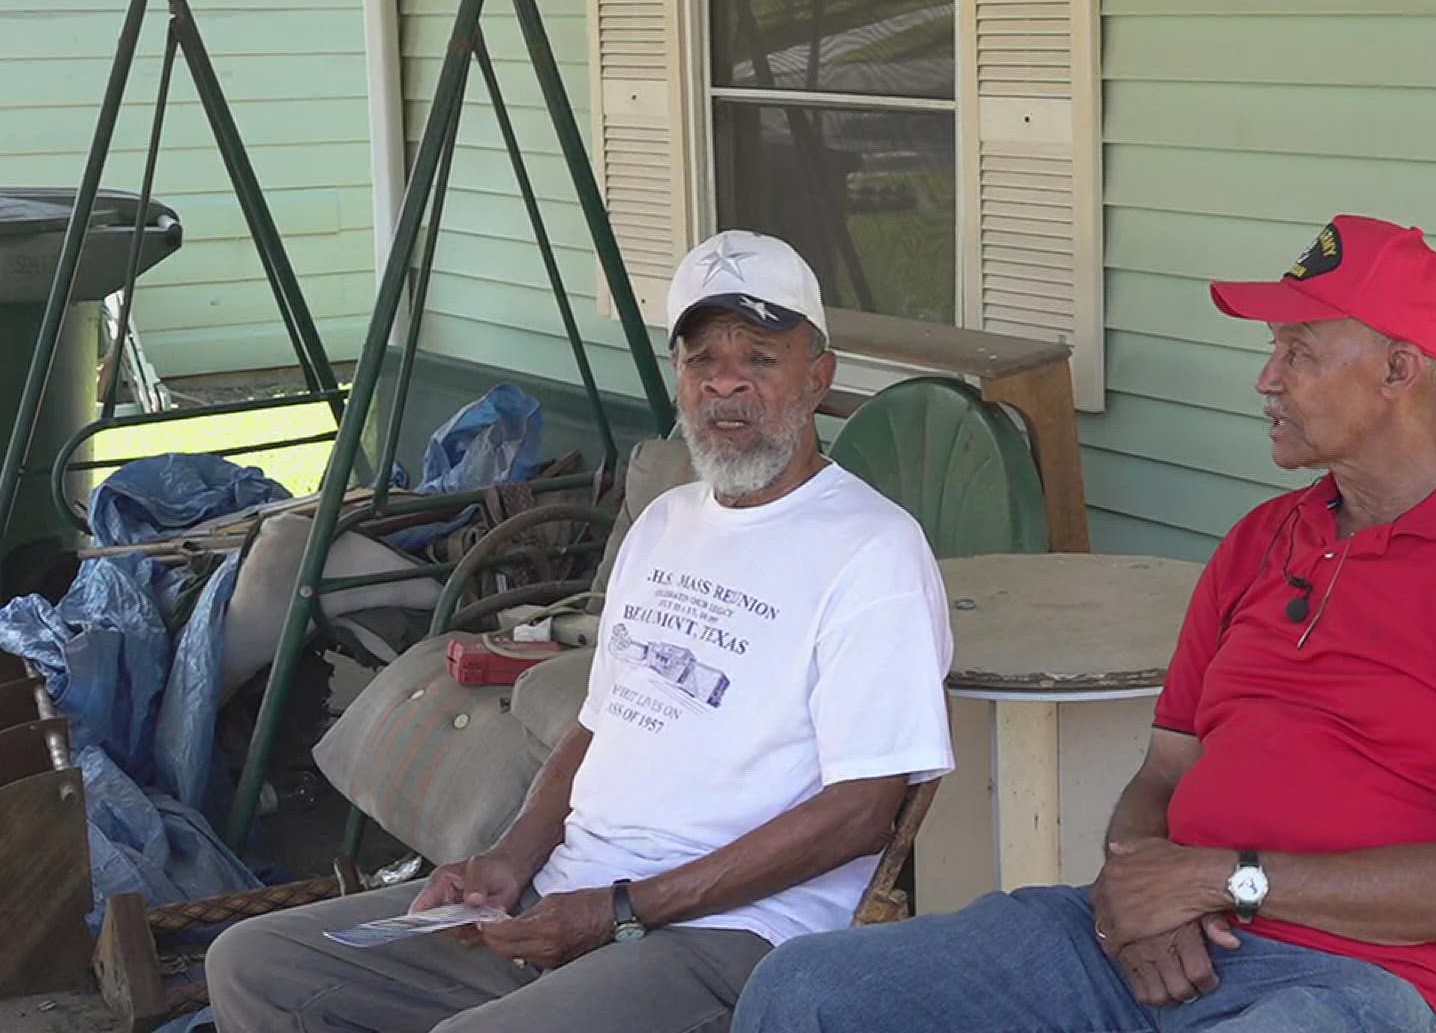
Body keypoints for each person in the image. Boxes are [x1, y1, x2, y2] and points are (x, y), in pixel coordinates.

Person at [733, 214, 1436, 1033]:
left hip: (1353, 983)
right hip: (1148, 946)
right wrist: (1133, 904)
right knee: (806, 989)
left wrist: (1223, 880)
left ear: (1398, 371)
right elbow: (1165, 769)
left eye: (1299, 352)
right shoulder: (1260, 542)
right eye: (1273, 348)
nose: (1267, 378)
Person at [205, 231, 956, 1033]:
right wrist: (509, 859)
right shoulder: (665, 523)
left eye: (762, 358)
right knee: (257, 964)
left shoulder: (872, 550)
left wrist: (624, 911)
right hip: (570, 896)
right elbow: (599, 722)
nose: (726, 383)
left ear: (819, 378)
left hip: (728, 937)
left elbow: (864, 811)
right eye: (701, 359)